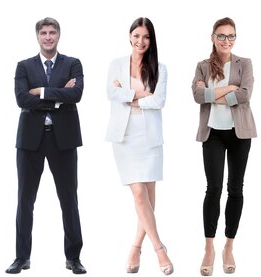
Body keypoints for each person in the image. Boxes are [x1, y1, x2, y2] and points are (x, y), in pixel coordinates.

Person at [7, 17, 87, 275]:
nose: (48, 37)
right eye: (44, 33)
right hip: (30, 141)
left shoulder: (73, 63)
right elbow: (21, 99)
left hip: (63, 139)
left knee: (69, 200)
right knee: (24, 200)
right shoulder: (23, 66)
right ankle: (21, 257)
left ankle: (73, 258)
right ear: (37, 37)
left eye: (52, 32)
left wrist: (40, 91)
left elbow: (76, 95)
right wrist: (56, 97)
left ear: (59, 36)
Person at [105, 17, 173, 275]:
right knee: (138, 193)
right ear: (129, 36)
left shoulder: (161, 68)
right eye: (136, 35)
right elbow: (111, 94)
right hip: (124, 137)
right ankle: (160, 250)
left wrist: (129, 96)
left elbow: (160, 101)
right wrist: (142, 95)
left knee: (148, 197)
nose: (140, 41)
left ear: (151, 39)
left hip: (150, 137)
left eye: (145, 37)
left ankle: (135, 246)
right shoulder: (116, 65)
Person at [191, 17, 257, 276]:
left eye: (231, 36)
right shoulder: (203, 66)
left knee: (236, 189)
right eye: (221, 36)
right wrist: (228, 89)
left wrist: (212, 93)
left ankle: (229, 245)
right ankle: (209, 247)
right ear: (212, 37)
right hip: (213, 134)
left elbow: (245, 94)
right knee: (213, 189)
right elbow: (196, 96)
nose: (226, 40)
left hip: (240, 133)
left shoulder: (245, 63)